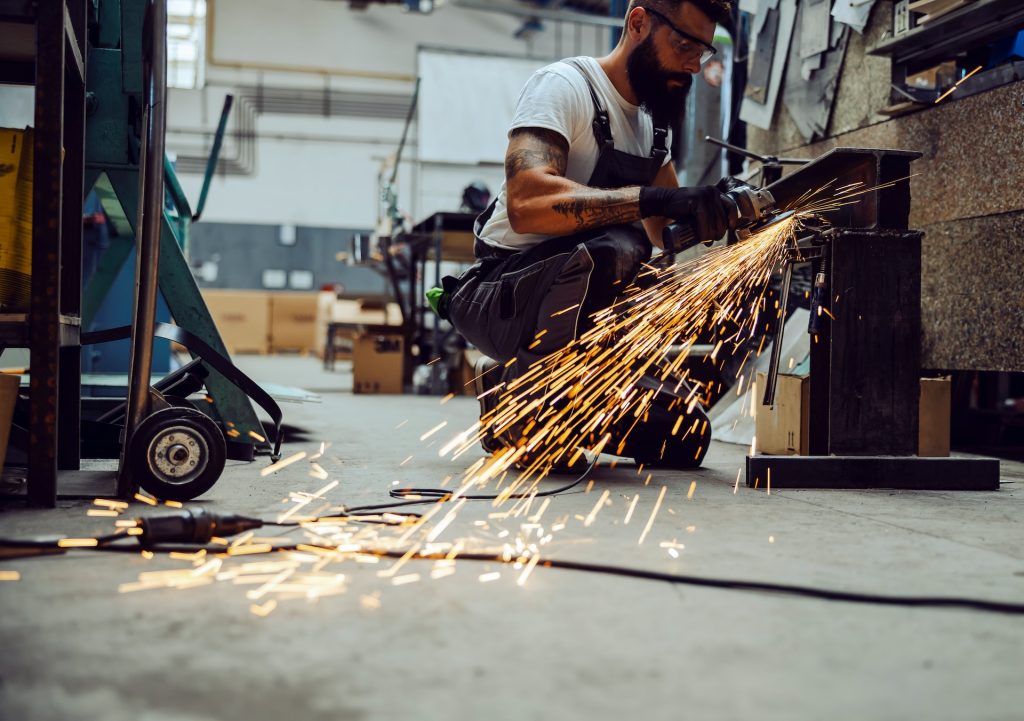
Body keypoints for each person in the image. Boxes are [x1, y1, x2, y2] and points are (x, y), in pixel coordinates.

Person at [444, 0, 734, 470]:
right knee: (618, 247)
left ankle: (530, 399)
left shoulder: (653, 125)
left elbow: (665, 234)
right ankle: (536, 391)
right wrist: (653, 200)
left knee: (685, 437)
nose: (692, 65)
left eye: (701, 53)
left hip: (585, 316)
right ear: (638, 22)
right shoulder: (564, 87)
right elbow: (525, 202)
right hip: (504, 294)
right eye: (683, 45)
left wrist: (716, 212)